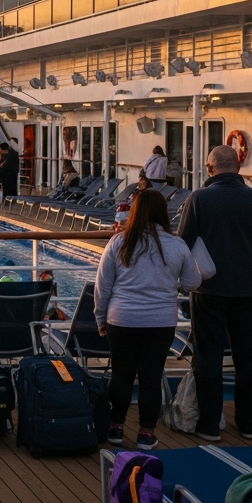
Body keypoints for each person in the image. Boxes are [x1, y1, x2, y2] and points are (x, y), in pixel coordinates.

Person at [176, 144, 252, 441]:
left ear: (210, 168)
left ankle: (209, 425)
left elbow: (183, 244)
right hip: (247, 290)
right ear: (238, 167)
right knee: (247, 358)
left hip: (209, 291)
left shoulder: (199, 198)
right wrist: (250, 271)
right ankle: (249, 424)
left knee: (208, 357)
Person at [95, 189, 201, 451]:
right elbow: (192, 283)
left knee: (121, 374)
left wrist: (100, 317)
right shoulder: (177, 245)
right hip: (160, 321)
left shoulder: (119, 242)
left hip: (122, 318)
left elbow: (103, 285)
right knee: (151, 377)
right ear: (163, 213)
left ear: (135, 212)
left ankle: (116, 428)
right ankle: (145, 433)